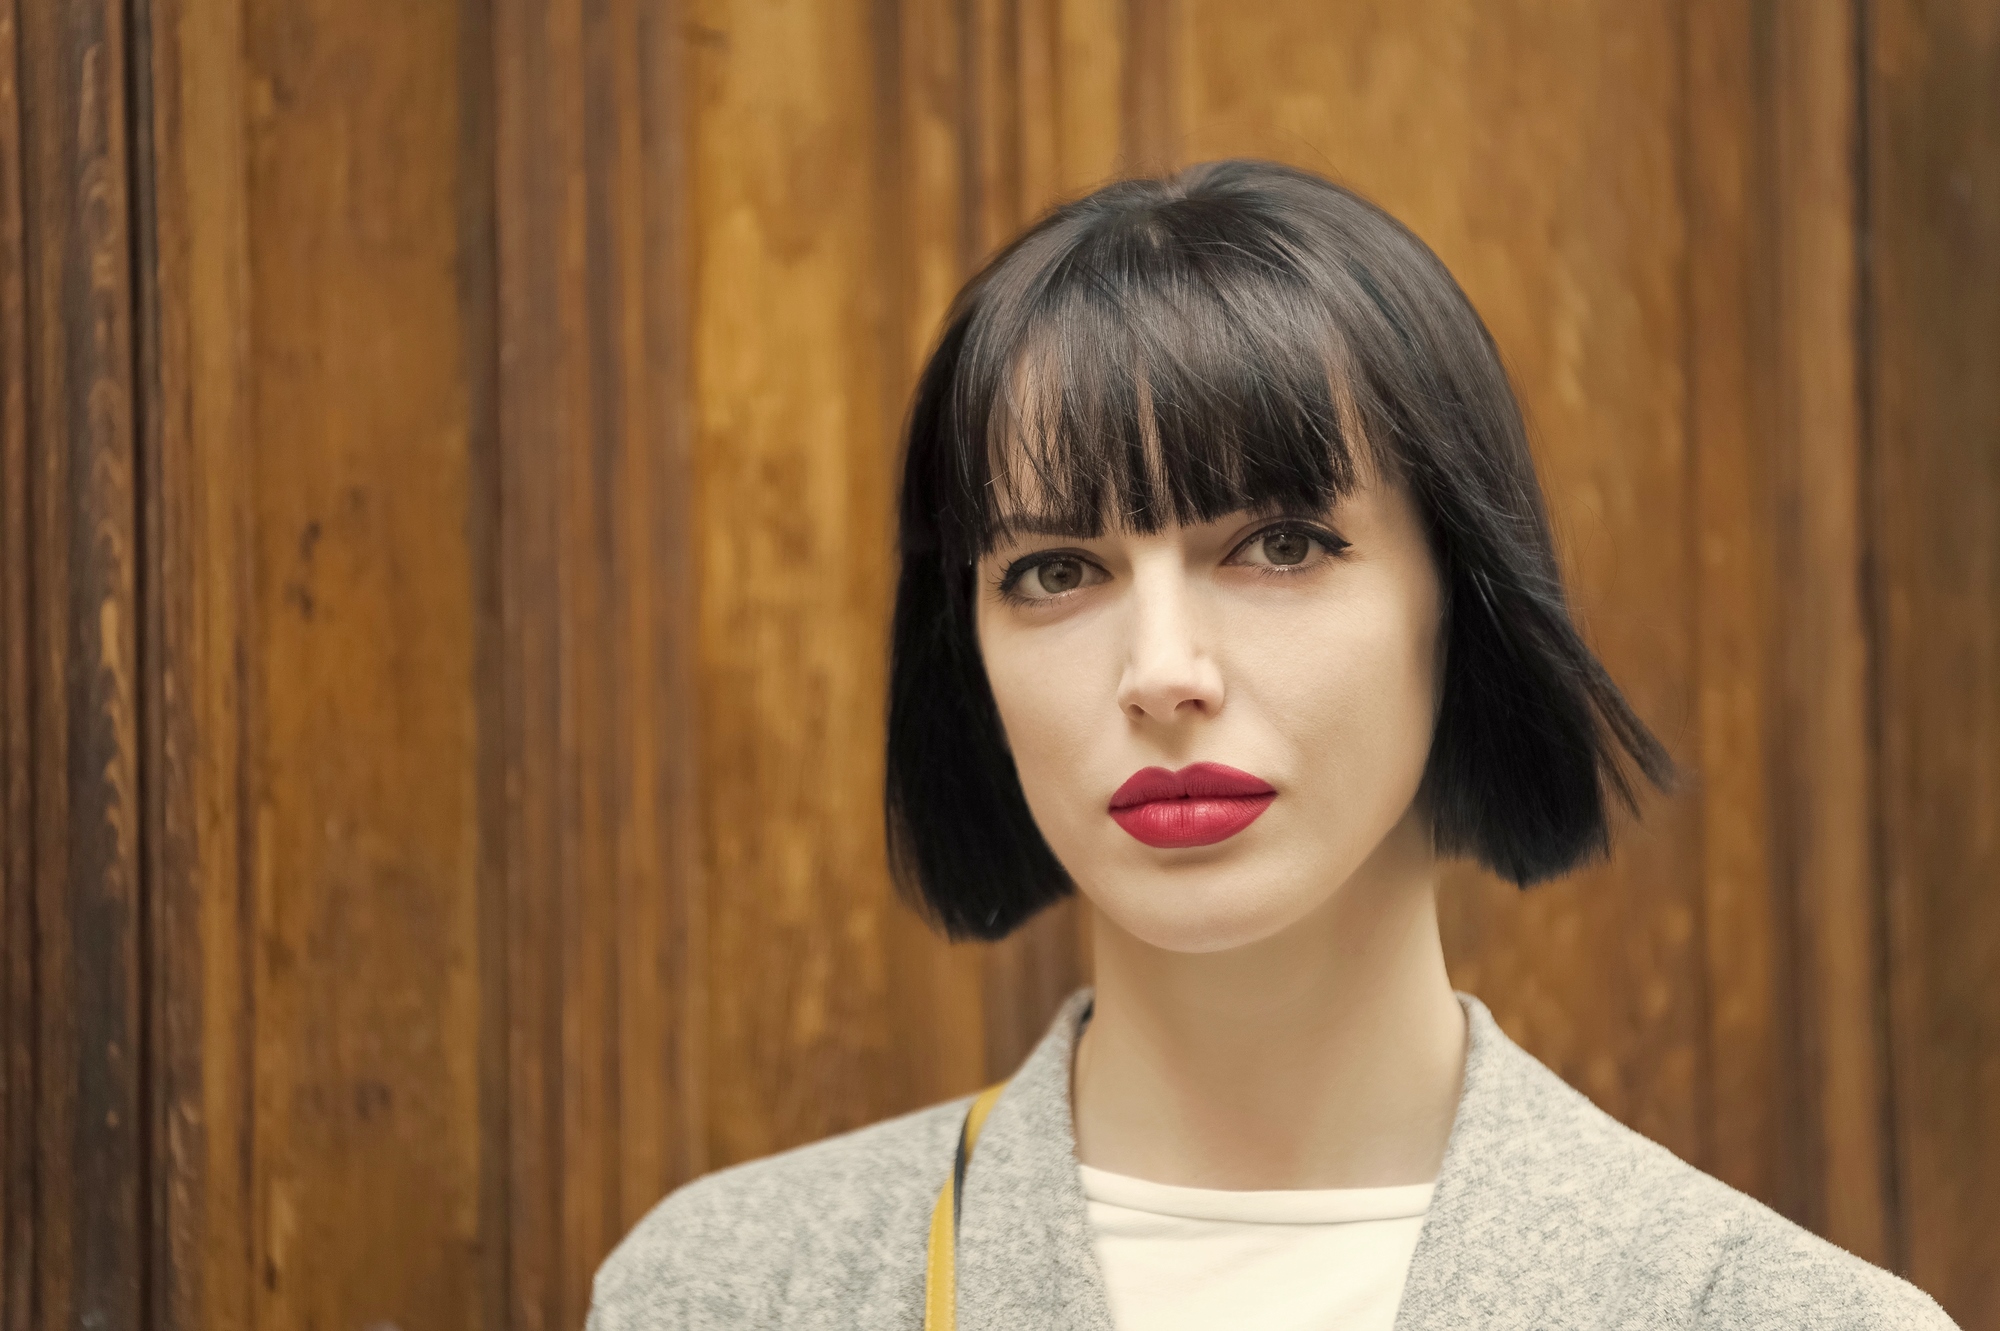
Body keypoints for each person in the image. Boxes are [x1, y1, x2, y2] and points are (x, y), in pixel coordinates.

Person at [587, 159, 1956, 1330]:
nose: (1162, 674)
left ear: (1464, 599)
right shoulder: (730, 1290)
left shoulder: (1780, 1313)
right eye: (1057, 572)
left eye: (1281, 546)